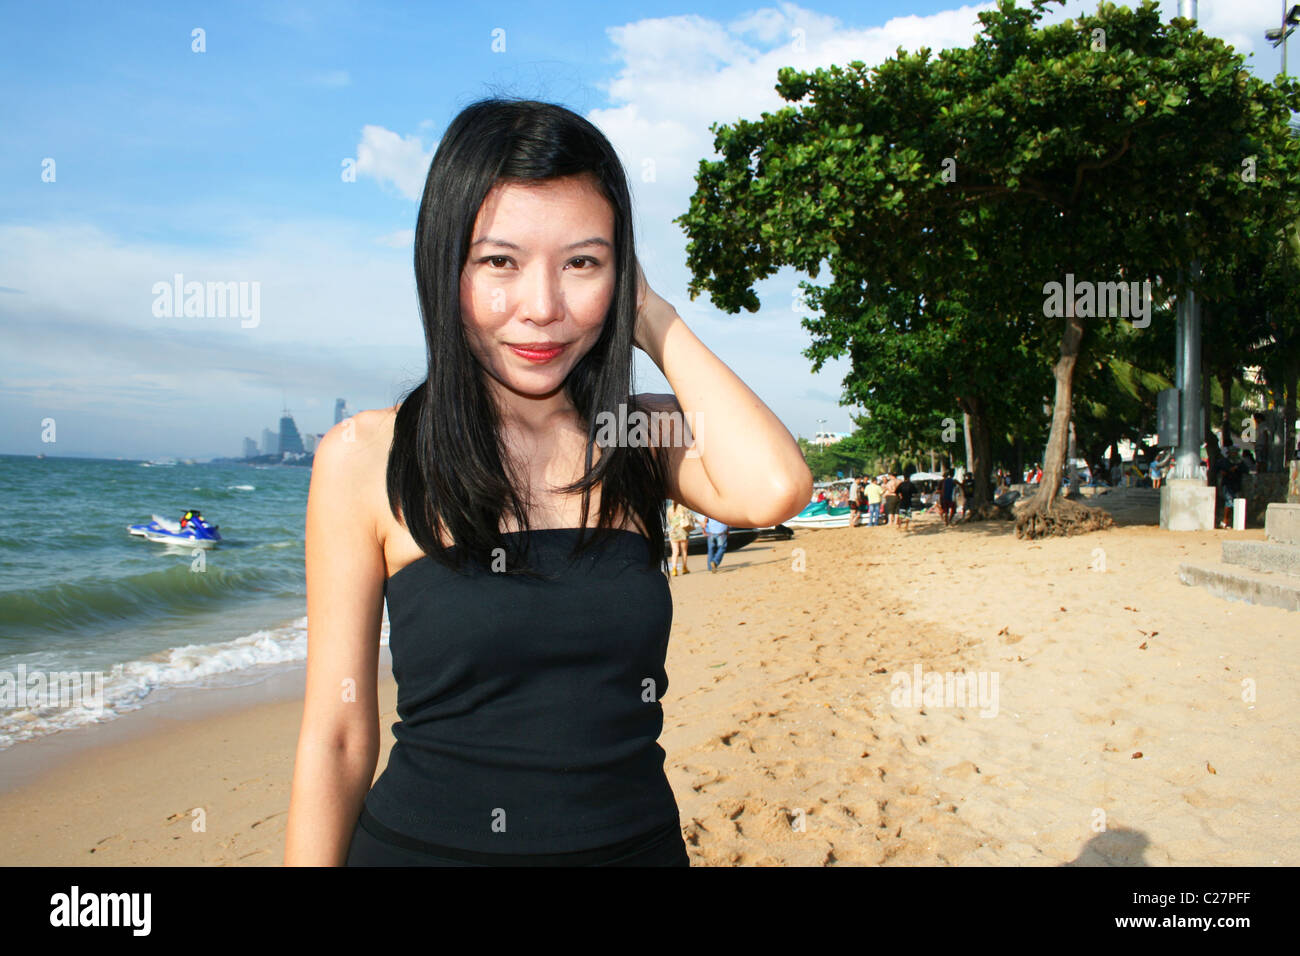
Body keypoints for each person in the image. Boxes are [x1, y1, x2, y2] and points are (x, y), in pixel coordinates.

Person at [285, 98, 813, 868]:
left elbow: (774, 486)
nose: (542, 308)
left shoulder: (634, 436)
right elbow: (336, 736)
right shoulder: (365, 455)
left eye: (582, 263)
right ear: (445, 266)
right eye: (499, 261)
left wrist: (652, 316)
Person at [666, 500, 694, 576]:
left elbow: (669, 521)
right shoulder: (683, 508)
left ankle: (674, 570)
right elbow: (691, 517)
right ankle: (684, 568)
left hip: (673, 532)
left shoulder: (669, 509)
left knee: (675, 552)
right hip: (683, 531)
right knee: (684, 551)